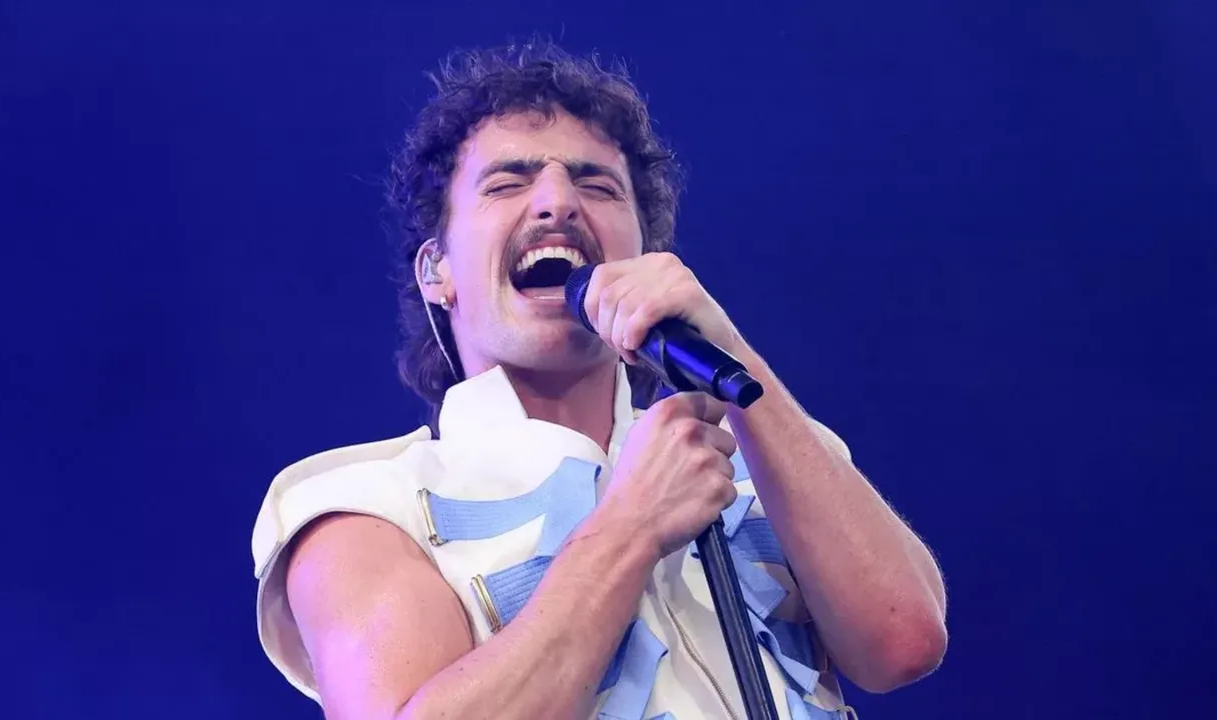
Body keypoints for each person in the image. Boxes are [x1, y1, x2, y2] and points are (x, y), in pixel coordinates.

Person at [250, 38, 947, 720]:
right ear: (438, 271)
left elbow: (903, 641)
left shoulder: (758, 452)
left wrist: (727, 350)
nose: (558, 202)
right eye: (508, 182)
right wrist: (631, 525)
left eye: (597, 185)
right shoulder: (364, 505)